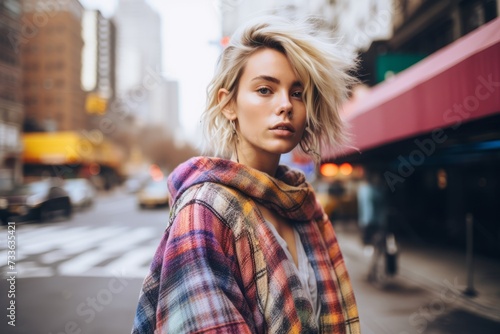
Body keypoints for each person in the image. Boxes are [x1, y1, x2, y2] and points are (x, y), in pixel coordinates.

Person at [132, 16, 360, 333]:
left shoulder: (305, 208)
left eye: (297, 93)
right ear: (228, 104)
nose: (285, 105)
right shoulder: (205, 210)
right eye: (265, 89)